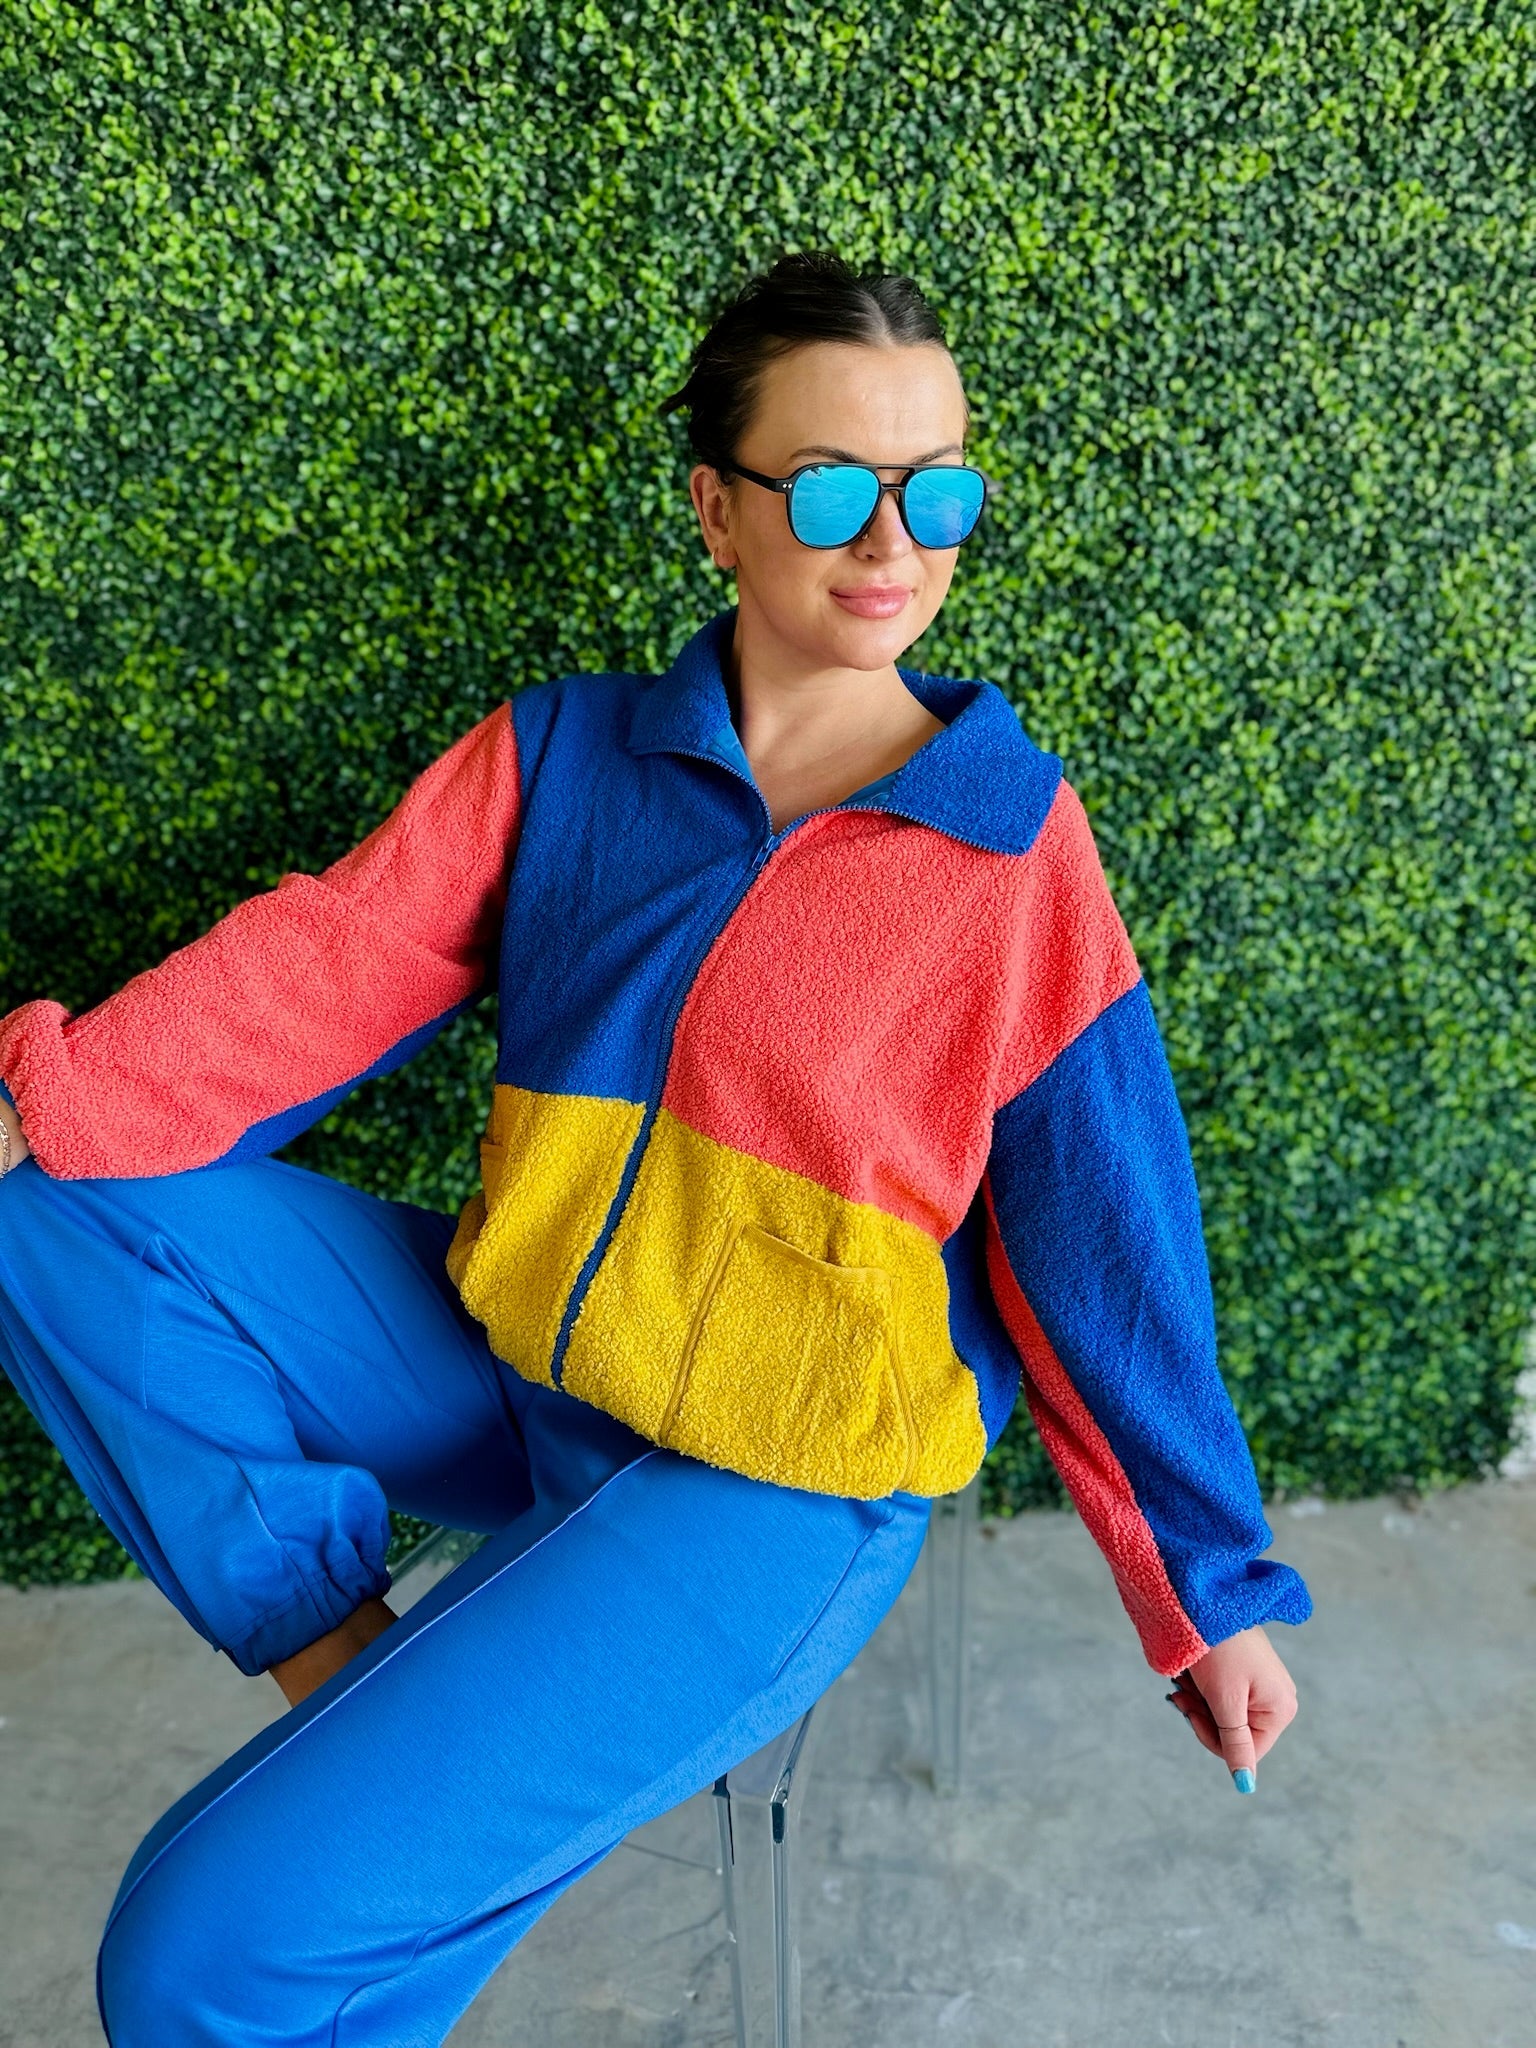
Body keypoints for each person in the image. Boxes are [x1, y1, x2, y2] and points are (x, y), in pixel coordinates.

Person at [0, 250, 1310, 2046]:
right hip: (520, 1364)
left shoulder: (1011, 855)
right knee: (51, 1199)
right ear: (718, 509)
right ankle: (345, 1663)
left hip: (769, 1489)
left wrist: (1208, 1596)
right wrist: (38, 1104)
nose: (894, 543)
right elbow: (324, 965)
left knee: (194, 1954)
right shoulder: (567, 758)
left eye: (939, 491)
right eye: (834, 488)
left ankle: (414, 1769)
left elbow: (1111, 1247)